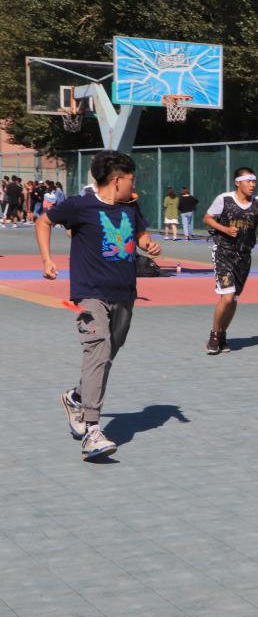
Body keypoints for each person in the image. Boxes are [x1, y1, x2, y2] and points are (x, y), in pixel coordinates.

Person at [35, 150, 161, 460]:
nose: (134, 185)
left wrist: (147, 244)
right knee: (98, 349)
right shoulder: (80, 205)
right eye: (131, 179)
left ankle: (76, 398)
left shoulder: (130, 205)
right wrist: (47, 260)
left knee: (106, 355)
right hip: (90, 293)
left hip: (124, 292)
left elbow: (140, 234)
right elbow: (44, 222)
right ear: (117, 180)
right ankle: (92, 431)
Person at [202, 167, 258, 354]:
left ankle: (222, 334)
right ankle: (214, 335)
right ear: (237, 183)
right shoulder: (224, 199)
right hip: (224, 252)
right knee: (227, 296)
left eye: (254, 181)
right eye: (248, 181)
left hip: (244, 256)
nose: (252, 185)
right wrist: (224, 229)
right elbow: (207, 218)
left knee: (233, 300)